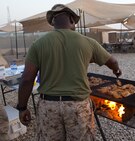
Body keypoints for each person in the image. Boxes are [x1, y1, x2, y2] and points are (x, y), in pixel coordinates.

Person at [16, 4, 122, 141]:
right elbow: (112, 62)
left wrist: (22, 107)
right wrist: (116, 70)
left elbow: (26, 79)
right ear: (72, 20)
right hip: (78, 106)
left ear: (53, 22)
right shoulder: (88, 42)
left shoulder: (38, 44)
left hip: (49, 106)